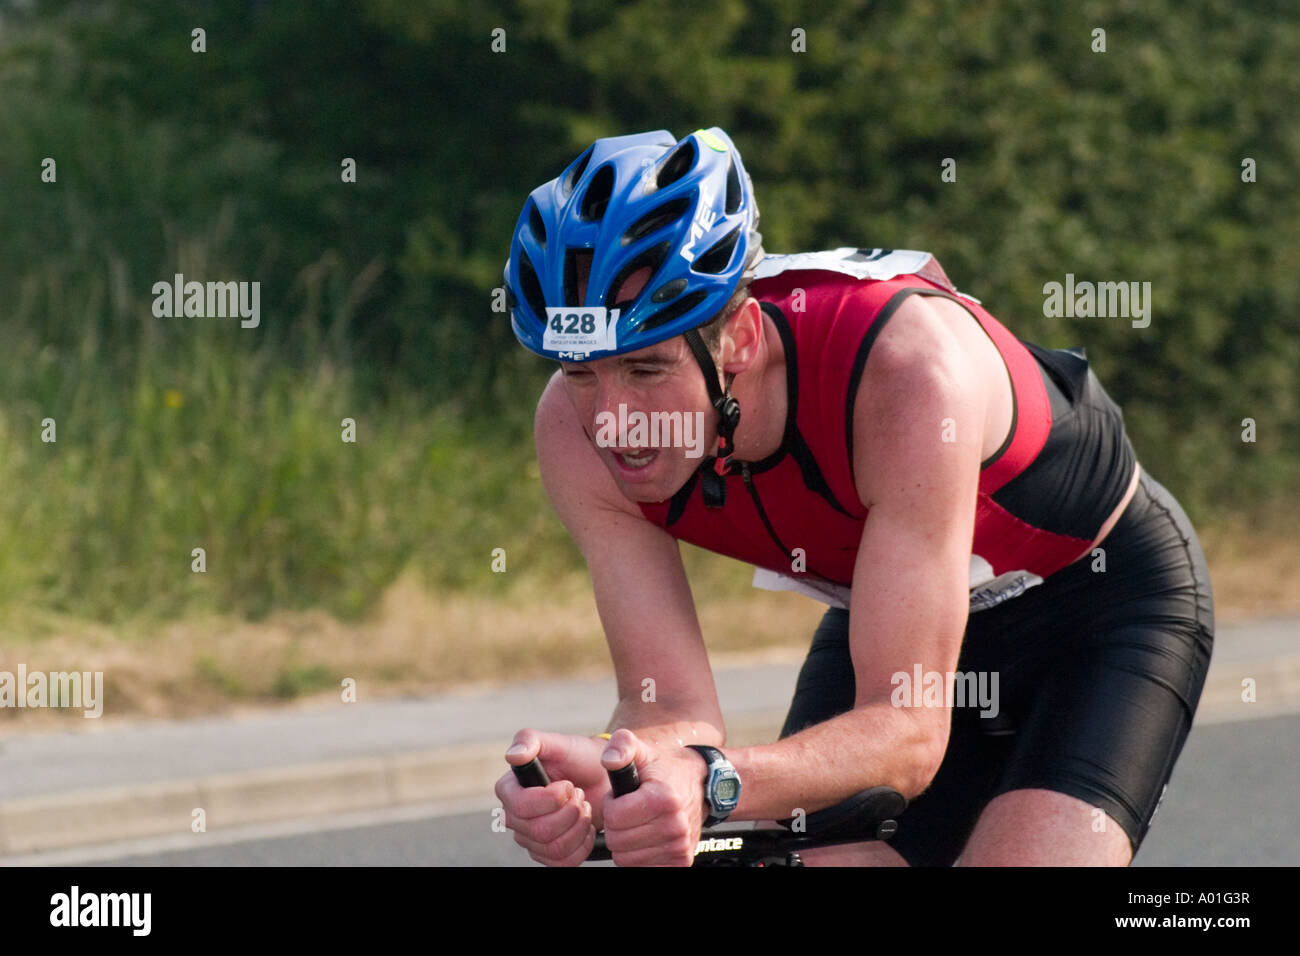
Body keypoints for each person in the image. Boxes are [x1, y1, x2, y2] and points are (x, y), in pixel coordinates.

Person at [493, 127, 1215, 866]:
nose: (612, 419)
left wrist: (713, 784)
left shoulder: (905, 376)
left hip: (1098, 609)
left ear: (737, 337)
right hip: (892, 621)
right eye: (580, 373)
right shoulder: (571, 432)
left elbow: (905, 733)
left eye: (647, 370)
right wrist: (623, 775)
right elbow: (673, 708)